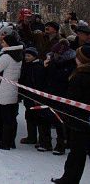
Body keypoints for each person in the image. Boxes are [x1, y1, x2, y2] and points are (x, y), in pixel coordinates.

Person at [51, 45, 90, 184]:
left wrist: (67, 115)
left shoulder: (80, 76)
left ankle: (70, 179)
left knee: (77, 153)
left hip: (79, 120)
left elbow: (74, 99)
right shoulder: (80, 73)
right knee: (77, 153)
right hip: (82, 119)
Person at [38, 38, 77, 155]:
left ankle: (61, 144)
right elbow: (43, 77)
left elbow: (62, 77)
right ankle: (45, 142)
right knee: (44, 117)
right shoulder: (50, 61)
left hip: (61, 94)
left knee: (59, 120)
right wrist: (43, 67)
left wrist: (51, 66)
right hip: (48, 92)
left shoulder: (70, 63)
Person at [18, 47, 46, 145]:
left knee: (38, 118)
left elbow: (38, 83)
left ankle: (42, 139)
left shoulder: (37, 67)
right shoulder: (27, 66)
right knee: (29, 116)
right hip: (28, 96)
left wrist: (36, 97)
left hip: (34, 97)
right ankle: (31, 136)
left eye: (29, 56)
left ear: (34, 56)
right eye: (25, 55)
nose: (26, 58)